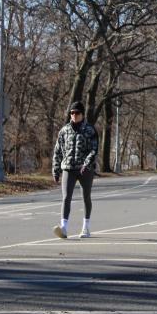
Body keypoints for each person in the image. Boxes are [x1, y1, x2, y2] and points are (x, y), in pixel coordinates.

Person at [52, 101, 99, 239]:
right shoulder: (64, 130)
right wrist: (56, 169)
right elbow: (57, 151)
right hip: (68, 168)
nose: (74, 115)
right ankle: (64, 228)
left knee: (86, 197)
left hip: (85, 169)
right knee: (66, 197)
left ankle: (86, 227)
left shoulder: (90, 130)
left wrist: (87, 163)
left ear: (82, 114)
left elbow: (94, 149)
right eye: (72, 113)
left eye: (77, 113)